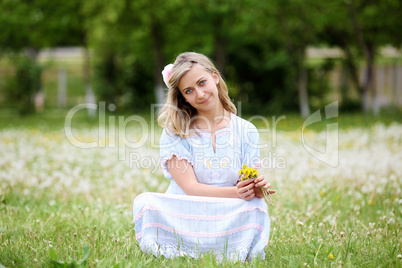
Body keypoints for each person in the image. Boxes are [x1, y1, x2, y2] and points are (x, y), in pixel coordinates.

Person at [133, 52, 276, 261]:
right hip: (186, 214)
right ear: (182, 96)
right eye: (189, 91)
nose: (199, 94)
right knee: (145, 202)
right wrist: (238, 192)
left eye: (202, 83)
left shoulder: (247, 130)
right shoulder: (176, 130)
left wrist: (252, 190)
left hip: (227, 214)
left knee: (256, 206)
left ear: (215, 77)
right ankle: (200, 247)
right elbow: (190, 189)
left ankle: (229, 248)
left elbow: (243, 183)